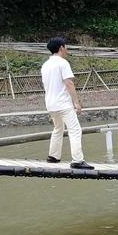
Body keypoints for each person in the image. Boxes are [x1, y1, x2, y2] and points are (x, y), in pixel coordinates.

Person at [41, 37, 93, 170]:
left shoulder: (45, 65)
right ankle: (77, 160)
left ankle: (53, 156)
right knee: (75, 130)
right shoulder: (63, 63)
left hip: (50, 104)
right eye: (66, 47)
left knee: (58, 128)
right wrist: (76, 102)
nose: (67, 49)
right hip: (63, 103)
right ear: (61, 48)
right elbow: (69, 83)